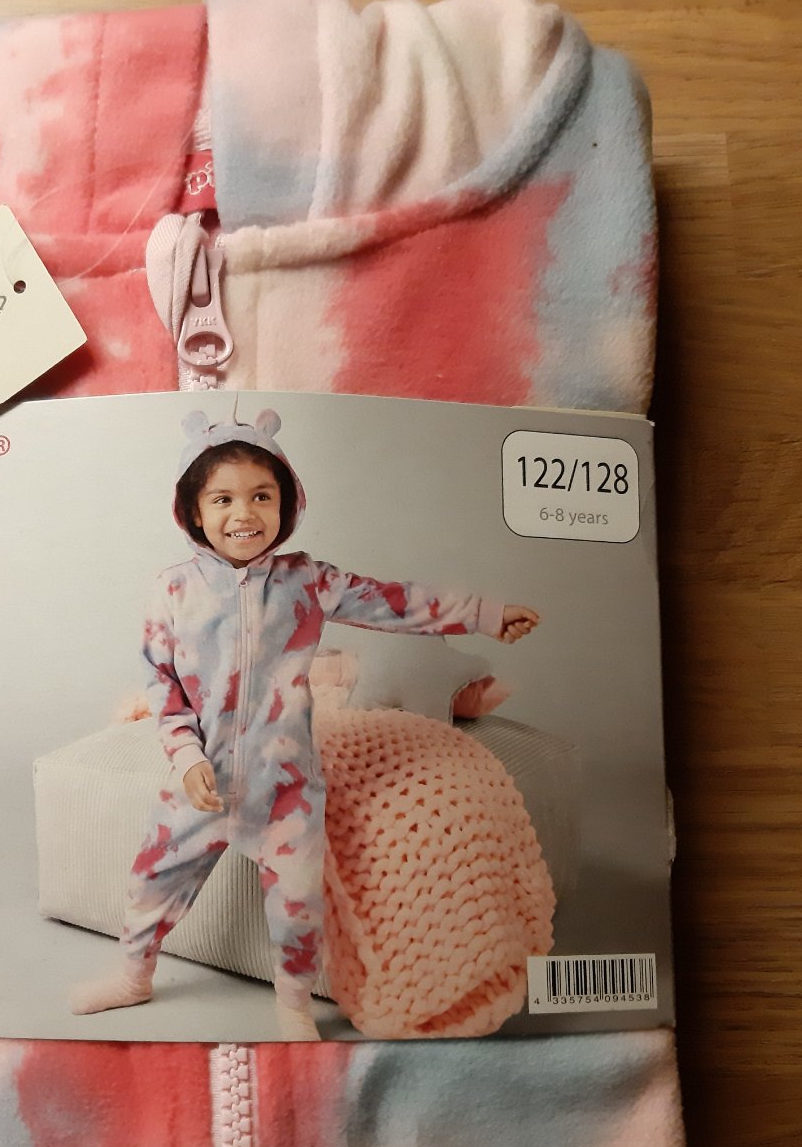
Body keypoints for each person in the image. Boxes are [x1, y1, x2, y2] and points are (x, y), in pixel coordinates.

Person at [71, 408, 539, 1040]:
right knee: (152, 879)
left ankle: (293, 1005)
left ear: (286, 503)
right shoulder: (174, 590)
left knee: (298, 905)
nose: (244, 513)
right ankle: (134, 977)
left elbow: (397, 602)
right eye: (223, 499)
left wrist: (484, 613)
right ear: (195, 512)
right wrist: (186, 757)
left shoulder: (308, 582)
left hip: (286, 784)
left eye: (261, 496)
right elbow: (163, 684)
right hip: (202, 781)